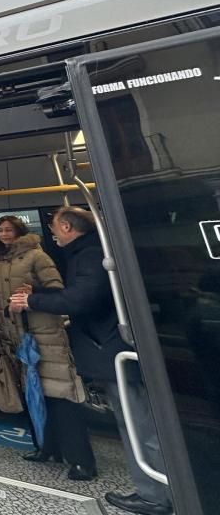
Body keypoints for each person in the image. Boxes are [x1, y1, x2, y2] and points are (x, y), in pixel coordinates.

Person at [11, 207, 172, 515]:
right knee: (138, 421)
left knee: (139, 424)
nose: (54, 233)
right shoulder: (92, 252)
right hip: (112, 347)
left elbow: (80, 299)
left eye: (56, 227)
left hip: (110, 347)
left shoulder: (87, 255)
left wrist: (32, 300)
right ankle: (156, 489)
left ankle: (157, 493)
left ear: (68, 227)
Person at [0, 215, 95, 480]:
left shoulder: (37, 256)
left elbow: (58, 291)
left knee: (59, 397)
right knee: (31, 395)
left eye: (9, 229)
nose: (4, 234)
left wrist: (31, 296)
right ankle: (45, 447)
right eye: (0, 230)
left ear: (19, 231)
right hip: (13, 335)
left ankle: (81, 460)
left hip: (42, 333)